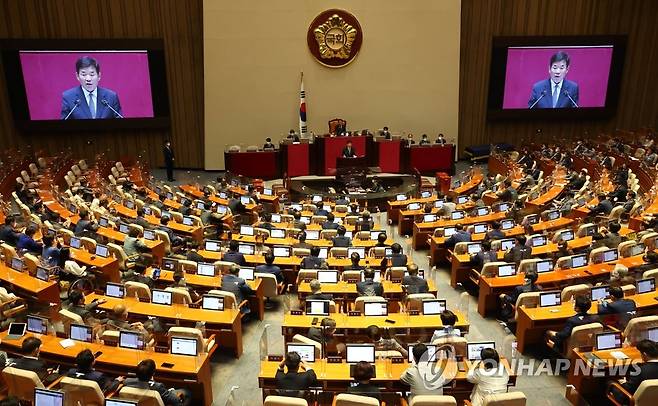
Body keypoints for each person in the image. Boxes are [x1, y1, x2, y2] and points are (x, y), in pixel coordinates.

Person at [124, 359, 191, 406]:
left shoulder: (127, 382)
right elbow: (175, 400)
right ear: (153, 373)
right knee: (187, 392)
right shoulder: (157, 387)